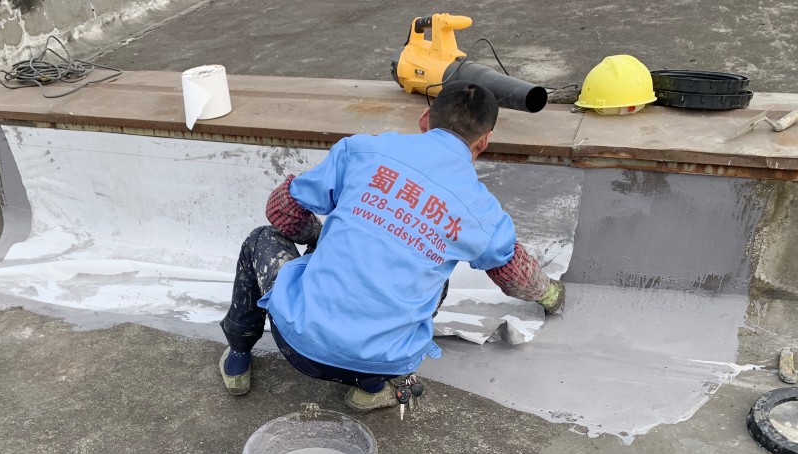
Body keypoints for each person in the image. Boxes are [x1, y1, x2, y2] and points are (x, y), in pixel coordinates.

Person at [218, 80, 565, 411]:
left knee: (261, 238)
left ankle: (238, 357)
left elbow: (282, 211)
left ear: (425, 118)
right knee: (435, 276)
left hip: (296, 345)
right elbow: (517, 276)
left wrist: (318, 239)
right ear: (484, 141)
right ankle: (370, 391)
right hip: (384, 363)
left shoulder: (362, 150)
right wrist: (552, 295)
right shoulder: (483, 212)